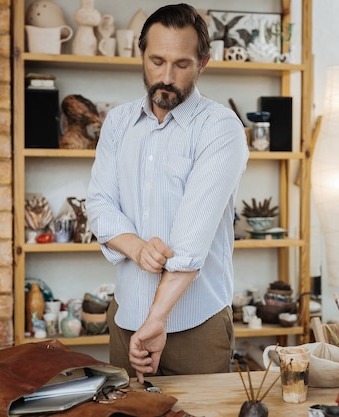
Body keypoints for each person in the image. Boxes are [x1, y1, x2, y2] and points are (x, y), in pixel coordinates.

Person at [86, 3, 249, 383]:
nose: (167, 76)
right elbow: (99, 204)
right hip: (125, 316)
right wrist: (138, 248)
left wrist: (156, 318)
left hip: (197, 327)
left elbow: (190, 243)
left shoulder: (221, 129)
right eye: (157, 61)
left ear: (203, 63)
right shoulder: (119, 122)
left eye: (182, 64)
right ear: (140, 54)